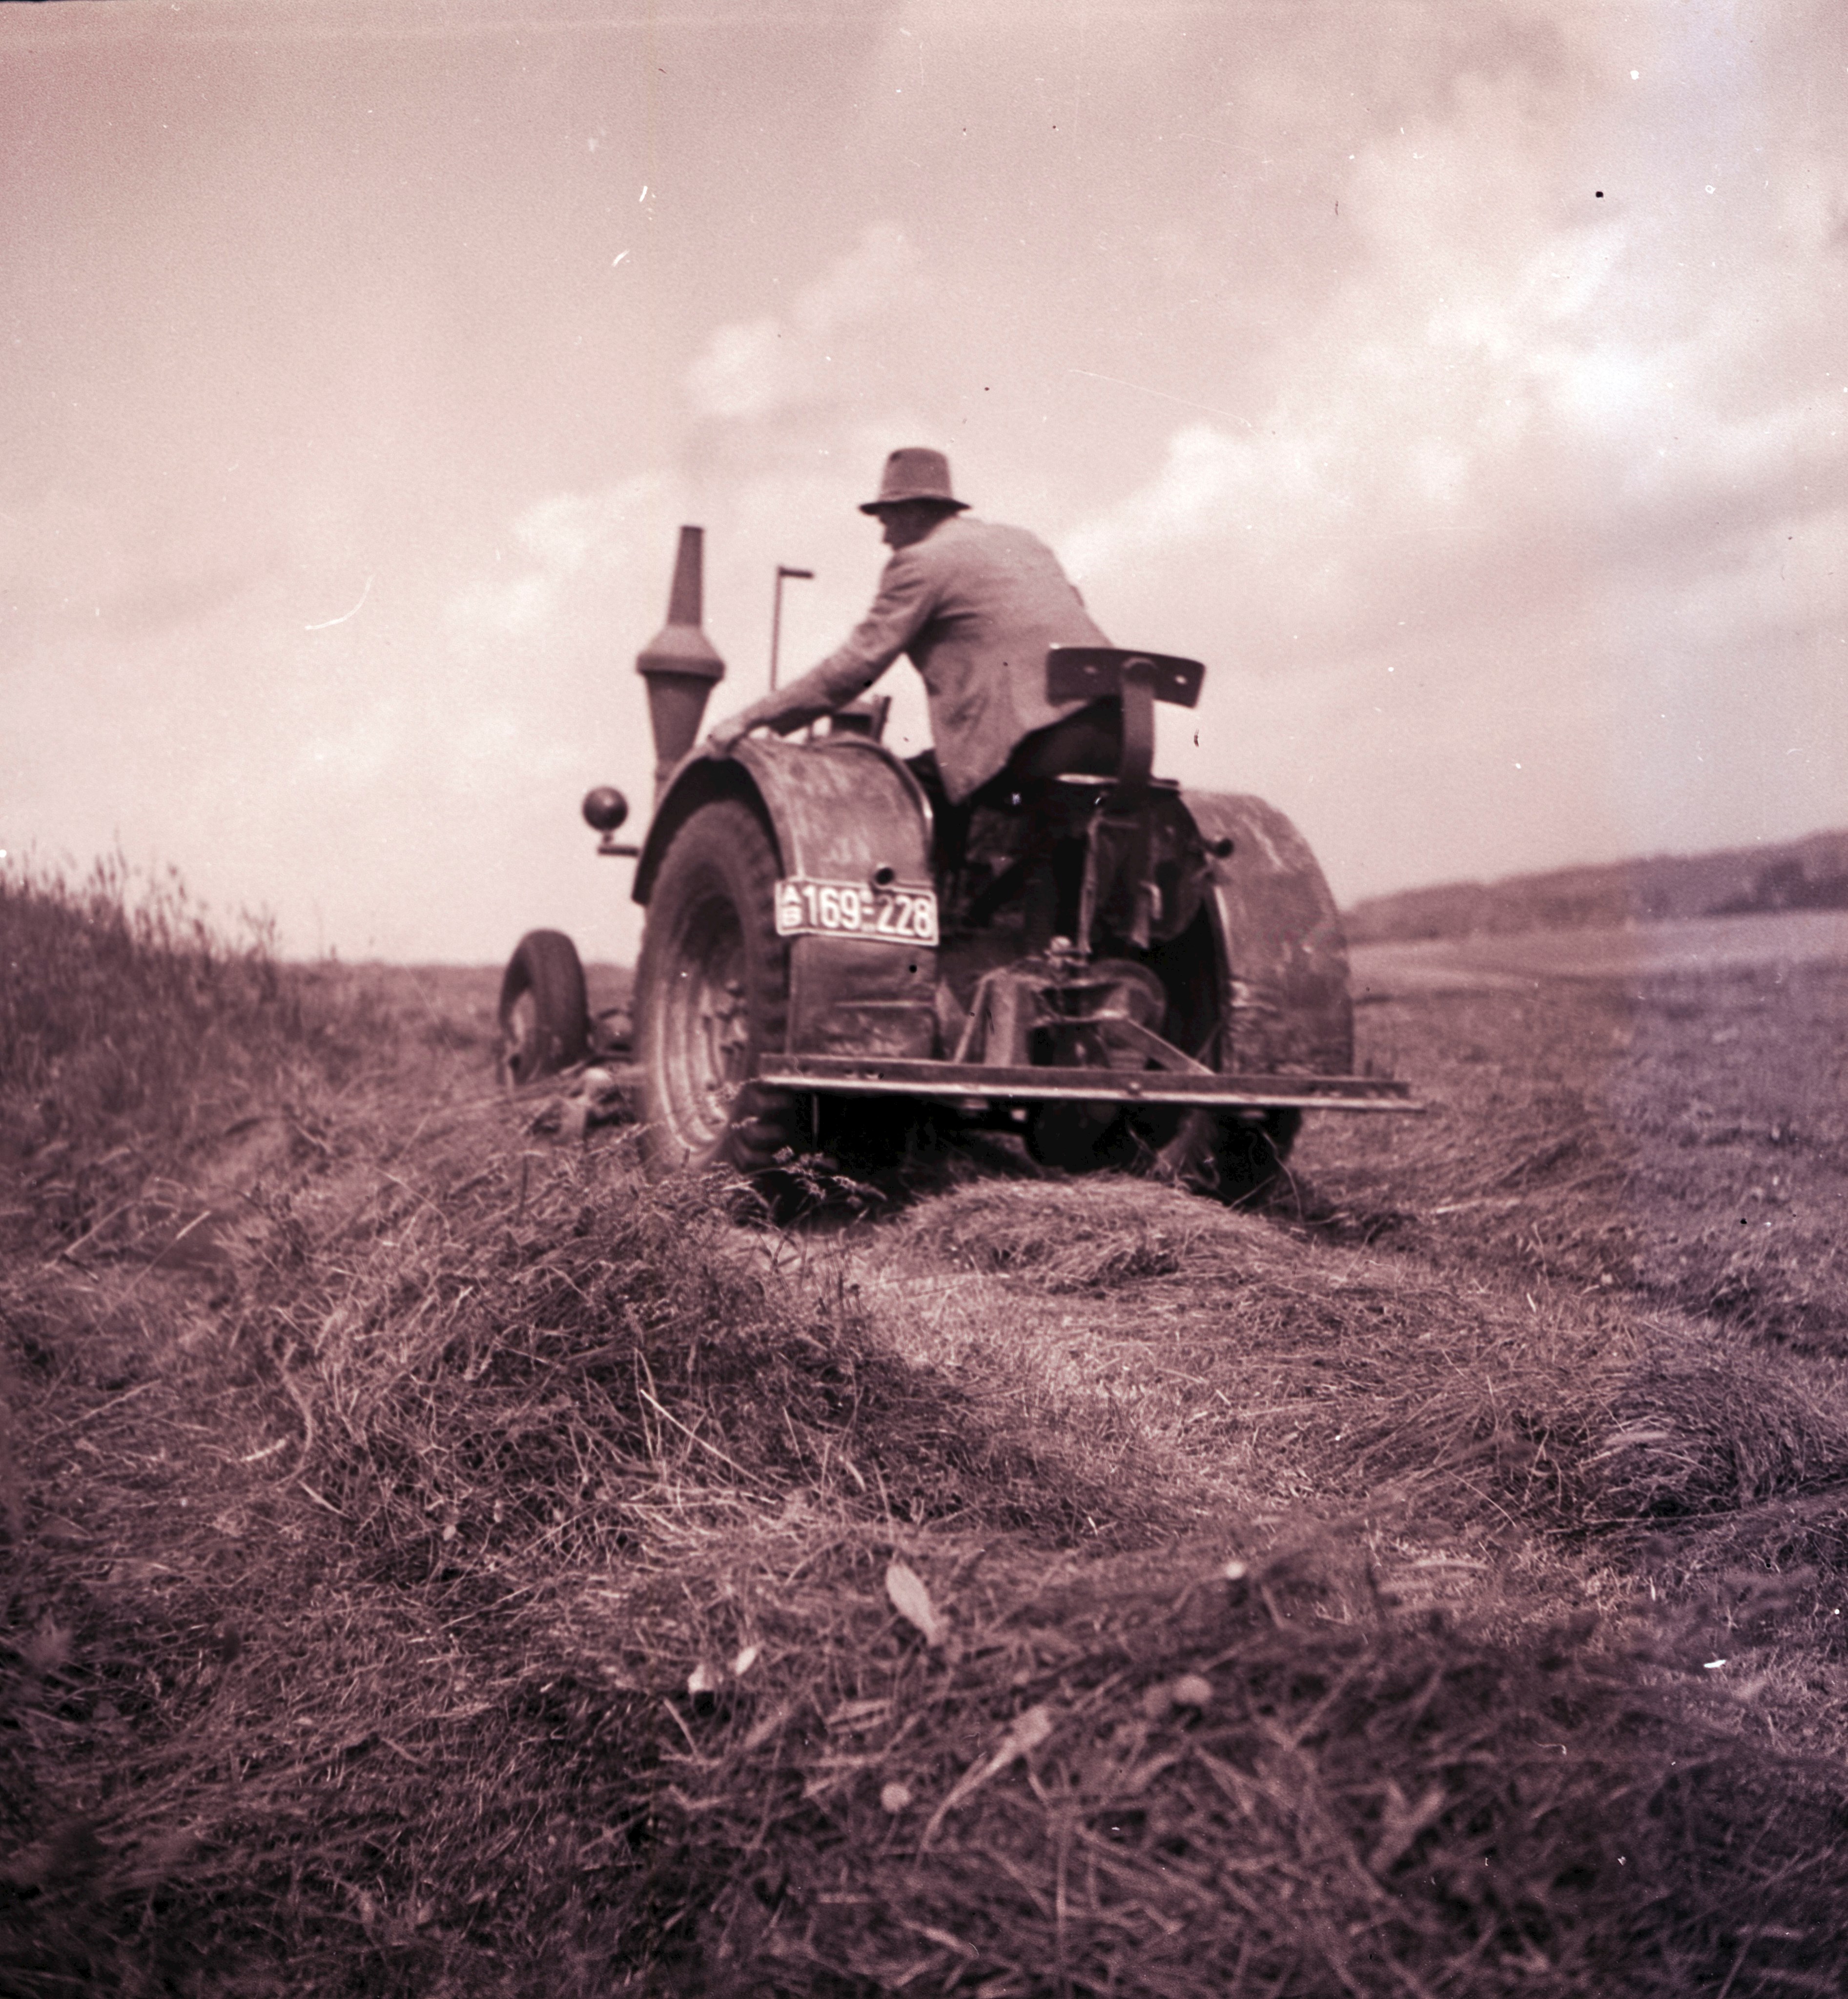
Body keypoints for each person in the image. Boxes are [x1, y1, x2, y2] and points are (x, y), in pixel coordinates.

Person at [703, 448, 1121, 808]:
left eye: (887, 519)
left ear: (915, 511)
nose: (884, 537)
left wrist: (749, 719)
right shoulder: (1023, 542)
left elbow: (855, 667)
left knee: (886, 797)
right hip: (1117, 726)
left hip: (1033, 742)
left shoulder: (921, 562)